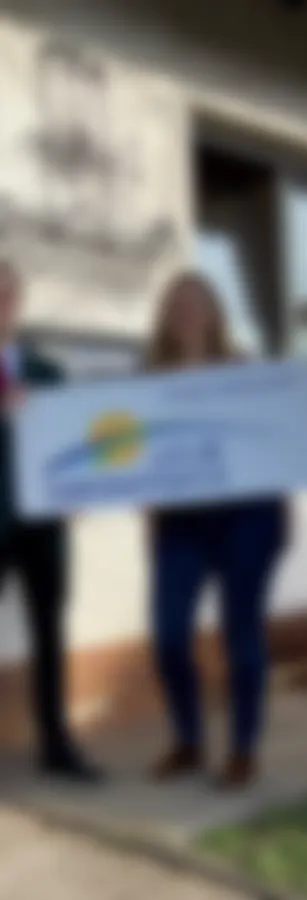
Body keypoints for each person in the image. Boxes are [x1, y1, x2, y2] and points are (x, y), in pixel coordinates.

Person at [145, 272, 298, 788]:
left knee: (240, 635)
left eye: (196, 303)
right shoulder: (149, 380)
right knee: (168, 637)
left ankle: (241, 750)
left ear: (213, 314)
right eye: (178, 304)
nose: (187, 313)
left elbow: (281, 437)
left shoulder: (243, 370)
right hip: (179, 526)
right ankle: (188, 740)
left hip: (246, 521)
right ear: (166, 317)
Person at [0, 260, 97, 781]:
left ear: (17, 304)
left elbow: (73, 450)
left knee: (48, 638)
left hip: (43, 529)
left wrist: (77, 489)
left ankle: (56, 747)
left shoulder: (47, 374)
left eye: (6, 296)